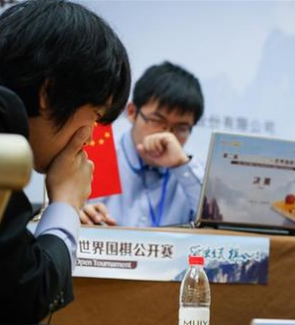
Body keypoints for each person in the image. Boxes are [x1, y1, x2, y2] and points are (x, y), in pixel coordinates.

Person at [0, 1, 130, 325]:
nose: (90, 138)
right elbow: (22, 297)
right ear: (48, 92)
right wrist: (67, 203)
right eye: (96, 117)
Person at [80, 61, 204, 227]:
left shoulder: (189, 172)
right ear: (132, 112)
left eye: (181, 128)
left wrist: (181, 166)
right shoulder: (99, 154)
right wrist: (78, 213)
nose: (167, 136)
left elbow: (216, 224)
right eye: (156, 121)